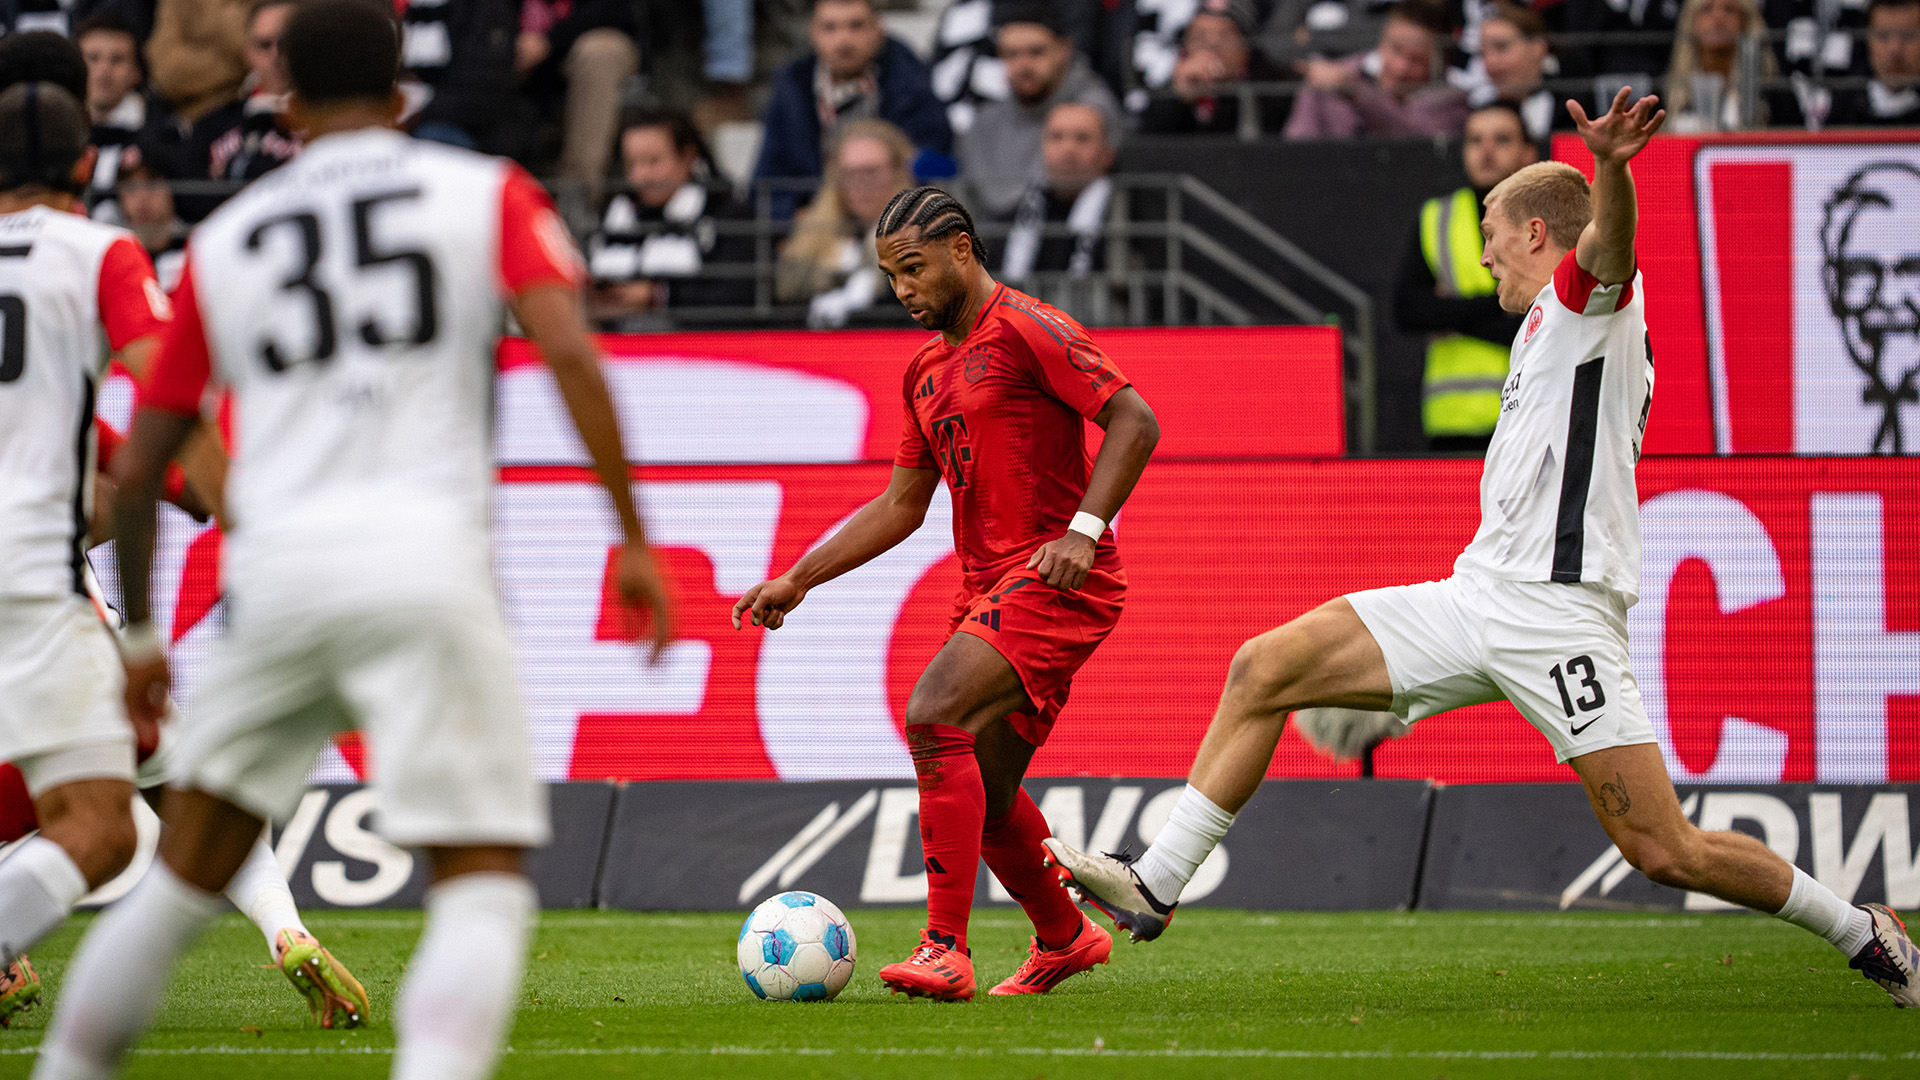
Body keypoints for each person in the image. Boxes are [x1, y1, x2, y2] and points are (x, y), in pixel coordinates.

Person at [1046, 88, 1920, 1012]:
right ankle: (1158, 882)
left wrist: (1613, 169)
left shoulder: (1593, 306)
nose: (1482, 251)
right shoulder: (1546, 326)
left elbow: (1611, 244)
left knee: (1665, 850)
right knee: (1266, 664)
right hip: (1476, 597)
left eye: (1494, 232)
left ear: (1540, 232)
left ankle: (1864, 932)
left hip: (1560, 616)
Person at [32, 4, 673, 1078]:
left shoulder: (224, 242)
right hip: (428, 564)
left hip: (275, 579)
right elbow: (569, 349)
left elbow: (142, 462)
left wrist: (142, 638)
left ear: (280, 103)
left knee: (183, 876)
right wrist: (633, 536)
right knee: (477, 879)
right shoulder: (484, 193)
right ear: (400, 93)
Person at [733, 186, 1161, 1001]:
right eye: (891, 276)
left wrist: (1084, 528)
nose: (902, 291)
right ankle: (1065, 938)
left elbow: (1135, 420)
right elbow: (901, 505)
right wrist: (799, 578)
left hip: (1057, 575)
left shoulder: (1031, 326)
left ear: (962, 248)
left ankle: (944, 947)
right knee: (992, 797)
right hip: (987, 587)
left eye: (913, 269)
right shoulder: (924, 371)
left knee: (934, 713)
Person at [0, 79, 163, 1025]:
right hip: (27, 580)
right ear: (87, 164)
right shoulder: (100, 252)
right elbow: (163, 392)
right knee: (100, 829)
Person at [1393, 101, 1536, 452]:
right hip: (1456, 421)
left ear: (1528, 153)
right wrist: (1501, 307)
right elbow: (1408, 309)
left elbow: (1557, 318)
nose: (1486, 151)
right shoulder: (1437, 216)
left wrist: (1453, 313)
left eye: (1501, 140)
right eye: (1475, 140)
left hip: (1533, 418)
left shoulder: (1547, 223)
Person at [753, 0, 952, 220]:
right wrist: (794, 217)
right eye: (830, 27)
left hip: (899, 220)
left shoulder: (911, 81)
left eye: (855, 26)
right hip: (815, 225)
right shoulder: (792, 87)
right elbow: (767, 180)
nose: (843, 40)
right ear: (813, 33)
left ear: (878, 29)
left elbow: (937, 164)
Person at [957, 3, 1124, 221]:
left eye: (1036, 52)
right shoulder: (986, 120)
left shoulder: (1093, 109)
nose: (1023, 65)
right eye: (1012, 54)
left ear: (1065, 49)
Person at [587, 107, 754, 325]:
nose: (640, 176)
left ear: (688, 157)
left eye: (653, 161)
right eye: (631, 164)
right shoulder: (614, 214)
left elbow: (736, 299)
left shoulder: (729, 213)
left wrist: (657, 295)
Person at [775, 118, 915, 329]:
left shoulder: (921, 233)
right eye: (852, 174)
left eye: (872, 172)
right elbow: (787, 293)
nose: (862, 185)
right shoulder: (814, 235)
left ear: (896, 173)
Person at [1284, 0, 1471, 139]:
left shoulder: (1452, 101)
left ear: (1443, 62)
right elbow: (1297, 145)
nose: (1400, 68)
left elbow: (1416, 139)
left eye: (1417, 60)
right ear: (1381, 40)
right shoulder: (1329, 79)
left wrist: (1356, 93)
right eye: (1396, 50)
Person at [514, 0, 640, 202]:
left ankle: (577, 198)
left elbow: (608, 13)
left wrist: (548, 42)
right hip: (517, 57)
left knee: (598, 53)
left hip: (584, 43)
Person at [999, 102, 1115, 318]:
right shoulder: (1011, 217)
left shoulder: (1129, 217)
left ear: (1107, 154)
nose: (1068, 149)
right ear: (1042, 147)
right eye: (1057, 137)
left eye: (1082, 138)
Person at [184, 0, 300, 189]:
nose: (276, 55)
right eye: (264, 45)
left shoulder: (331, 123)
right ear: (248, 52)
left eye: (287, 42)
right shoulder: (211, 127)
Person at [1139, 0, 1293, 135]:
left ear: (1246, 47)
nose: (1211, 46)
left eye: (1225, 36)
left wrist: (1225, 89)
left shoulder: (1273, 88)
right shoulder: (1170, 90)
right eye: (1200, 37)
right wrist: (1179, 97)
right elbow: (1148, 145)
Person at [1662, 0, 1799, 131]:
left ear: (1746, 21)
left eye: (1729, 9)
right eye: (1707, 9)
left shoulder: (1775, 90)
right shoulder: (1667, 89)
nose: (1718, 17)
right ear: (1691, 21)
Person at [1467, 4, 1574, 142]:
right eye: (1482, 53)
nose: (1490, 62)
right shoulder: (1478, 113)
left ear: (1537, 47)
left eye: (1501, 47)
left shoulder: (1573, 104)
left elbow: (1580, 160)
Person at [1824, 0, 1920, 126]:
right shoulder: (1841, 109)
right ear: (1867, 40)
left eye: (1907, 35)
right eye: (1883, 36)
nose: (1895, 49)